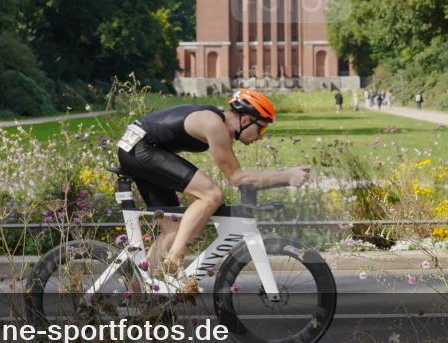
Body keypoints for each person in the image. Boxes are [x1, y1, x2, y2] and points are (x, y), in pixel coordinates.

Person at [116, 89, 309, 289]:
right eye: (261, 129)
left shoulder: (218, 124)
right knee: (212, 195)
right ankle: (174, 257)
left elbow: (240, 176)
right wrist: (286, 176)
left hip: (138, 148)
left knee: (173, 230)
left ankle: (143, 290)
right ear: (246, 120)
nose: (260, 137)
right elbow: (237, 178)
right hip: (140, 149)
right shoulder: (215, 125)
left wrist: (283, 177)